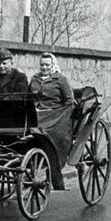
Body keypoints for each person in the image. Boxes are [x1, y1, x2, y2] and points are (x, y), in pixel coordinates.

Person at [29, 53, 73, 190]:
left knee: (48, 136)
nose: (44, 67)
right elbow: (28, 97)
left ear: (53, 65)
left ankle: (55, 171)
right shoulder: (35, 79)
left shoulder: (60, 79)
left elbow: (69, 101)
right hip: (36, 114)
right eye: (42, 65)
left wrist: (60, 115)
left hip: (56, 116)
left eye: (47, 65)